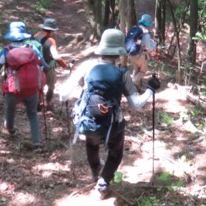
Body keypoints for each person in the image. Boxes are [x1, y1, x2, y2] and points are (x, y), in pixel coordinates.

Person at [59, 29, 160, 197]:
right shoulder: (122, 74)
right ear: (119, 52)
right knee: (116, 153)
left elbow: (63, 94)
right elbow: (136, 104)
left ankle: (95, 171)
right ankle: (103, 184)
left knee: (91, 143)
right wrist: (150, 89)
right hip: (113, 124)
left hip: (87, 121)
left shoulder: (87, 66)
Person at [0, 21, 46, 150]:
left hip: (13, 88)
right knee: (32, 114)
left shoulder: (6, 51)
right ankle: (37, 143)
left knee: (10, 108)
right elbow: (45, 67)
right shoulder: (32, 48)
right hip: (31, 88)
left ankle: (10, 129)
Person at [33, 17, 69, 108]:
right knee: (51, 86)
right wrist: (65, 65)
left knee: (38, 85)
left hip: (35, 66)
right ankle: (48, 104)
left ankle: (37, 102)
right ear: (51, 30)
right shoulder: (51, 41)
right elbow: (55, 56)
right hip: (48, 66)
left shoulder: (35, 36)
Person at [127, 14, 158, 89]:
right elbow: (150, 48)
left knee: (136, 69)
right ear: (148, 24)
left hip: (131, 54)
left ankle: (134, 89)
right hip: (140, 56)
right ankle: (132, 85)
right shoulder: (146, 34)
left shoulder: (135, 30)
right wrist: (156, 43)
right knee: (142, 72)